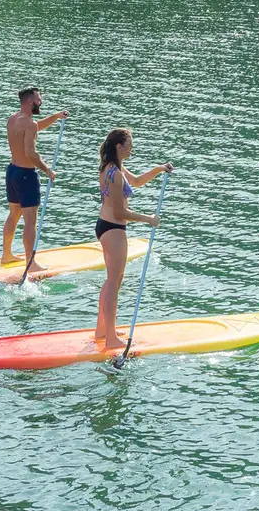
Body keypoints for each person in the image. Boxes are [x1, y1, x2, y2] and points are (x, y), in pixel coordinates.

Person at [93, 127, 171, 350]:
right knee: (113, 282)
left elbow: (136, 181)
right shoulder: (115, 174)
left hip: (105, 226)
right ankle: (110, 338)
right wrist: (149, 219)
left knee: (113, 281)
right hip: (113, 229)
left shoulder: (111, 166)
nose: (132, 148)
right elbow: (120, 212)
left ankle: (102, 330)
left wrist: (159, 169)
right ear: (119, 146)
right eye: (129, 145)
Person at [3, 87, 67, 270]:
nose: (41, 102)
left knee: (14, 215)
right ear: (30, 101)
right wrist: (47, 170)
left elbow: (35, 127)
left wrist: (56, 117)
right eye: (39, 99)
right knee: (30, 222)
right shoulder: (29, 124)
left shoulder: (13, 119)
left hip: (12, 172)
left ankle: (6, 255)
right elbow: (30, 153)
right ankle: (31, 264)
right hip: (26, 176)